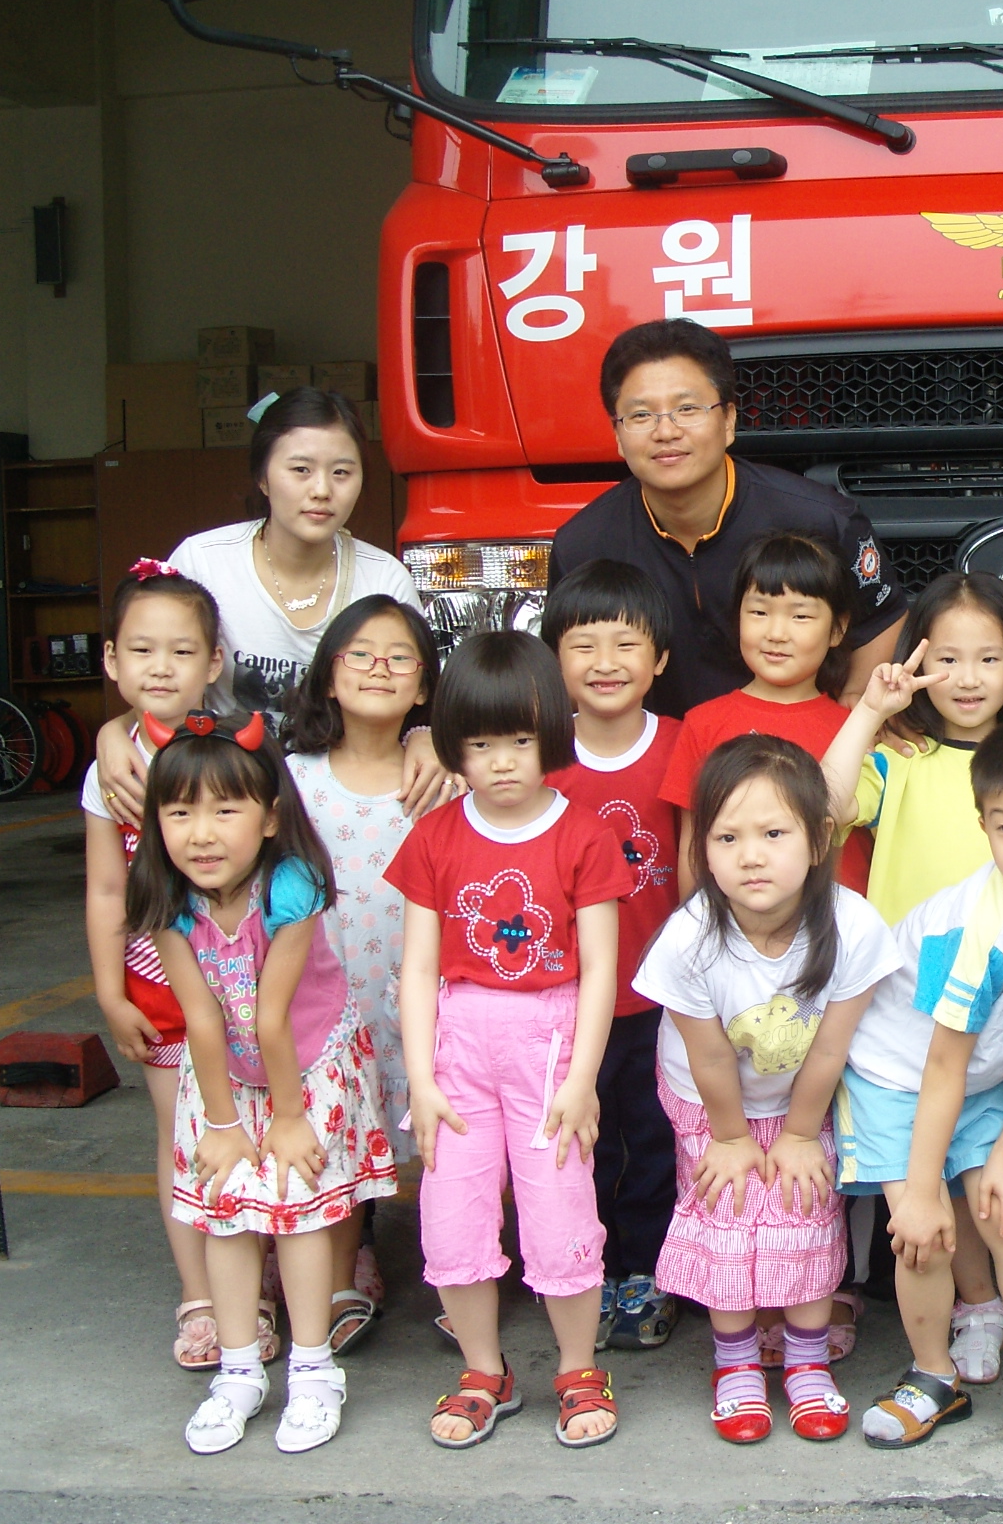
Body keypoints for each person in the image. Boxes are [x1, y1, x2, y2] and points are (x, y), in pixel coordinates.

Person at [387, 633, 634, 1452]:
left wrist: (582, 1078)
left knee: (560, 1212)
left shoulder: (585, 834)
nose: (501, 763)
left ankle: (578, 1368)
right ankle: (482, 1371)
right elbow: (417, 968)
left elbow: (601, 969)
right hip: (458, 1048)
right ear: (454, 745)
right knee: (452, 1216)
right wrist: (421, 1081)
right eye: (481, 744)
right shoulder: (434, 836)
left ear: (552, 734)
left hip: (551, 1047)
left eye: (521, 741)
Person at [839, 715, 1003, 1465]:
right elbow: (940, 1067)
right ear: (982, 827)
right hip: (897, 1077)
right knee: (921, 1235)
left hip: (986, 1074)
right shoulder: (977, 928)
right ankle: (933, 1376)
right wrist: (924, 1191)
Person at [129, 712, 397, 1455]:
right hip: (223, 1070)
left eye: (225, 810)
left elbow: (273, 1017)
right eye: (179, 813)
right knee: (226, 1210)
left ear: (271, 816)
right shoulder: (165, 894)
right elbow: (200, 1018)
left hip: (305, 1065)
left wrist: (286, 1118)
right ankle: (239, 1370)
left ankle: (313, 1371)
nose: (201, 834)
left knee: (297, 1207)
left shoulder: (291, 886)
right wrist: (221, 1124)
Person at [631, 736, 903, 1445]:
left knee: (802, 1207)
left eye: (774, 834)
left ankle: (807, 1360)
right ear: (703, 847)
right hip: (709, 1101)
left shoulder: (851, 924)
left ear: (819, 839)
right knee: (728, 1210)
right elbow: (709, 1056)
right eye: (727, 837)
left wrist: (801, 1133)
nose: (750, 855)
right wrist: (728, 1138)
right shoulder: (689, 937)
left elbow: (832, 1046)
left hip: (802, 1099)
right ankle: (736, 1363)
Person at [92, 388, 452, 824]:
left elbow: (415, 690)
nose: (322, 490)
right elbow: (163, 671)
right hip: (224, 798)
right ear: (263, 477)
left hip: (335, 806)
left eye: (342, 472)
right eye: (300, 470)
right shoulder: (203, 562)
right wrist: (116, 730)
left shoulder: (384, 579)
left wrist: (424, 735)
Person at [547, 319, 904, 717]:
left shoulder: (823, 520)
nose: (666, 431)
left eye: (687, 409)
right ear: (617, 434)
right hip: (656, 745)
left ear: (729, 420)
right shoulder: (581, 546)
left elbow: (883, 618)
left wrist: (860, 706)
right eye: (641, 415)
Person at [281, 592, 442, 1352]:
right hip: (323, 1005)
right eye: (361, 655)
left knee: (441, 1140)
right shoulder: (292, 779)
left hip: (417, 1000)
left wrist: (435, 741)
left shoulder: (442, 780)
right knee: (333, 1136)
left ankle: (462, 1271)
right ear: (327, 674)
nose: (380, 668)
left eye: (400, 657)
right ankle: (338, 1278)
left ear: (424, 684)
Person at [83, 562, 228, 1372]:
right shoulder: (110, 769)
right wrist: (110, 992)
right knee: (182, 1138)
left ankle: (252, 1286)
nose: (162, 667)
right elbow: (108, 888)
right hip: (158, 987)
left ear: (214, 661)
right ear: (112, 660)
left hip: (240, 987)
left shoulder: (237, 751)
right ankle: (199, 1294)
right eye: (141, 650)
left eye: (182, 651)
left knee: (245, 1132)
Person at [540, 559, 685, 1352]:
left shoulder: (682, 744)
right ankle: (585, 1271)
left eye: (626, 644)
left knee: (656, 1139)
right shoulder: (539, 756)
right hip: (566, 1001)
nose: (605, 662)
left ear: (659, 658)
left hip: (661, 997)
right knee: (578, 1143)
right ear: (553, 659)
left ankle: (648, 1271)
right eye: (583, 644)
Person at [821, 570, 1003, 924]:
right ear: (919, 663)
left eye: (989, 659)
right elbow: (826, 805)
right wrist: (870, 711)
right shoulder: (898, 758)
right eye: (948, 660)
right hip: (909, 959)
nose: (968, 679)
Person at [659, 531, 873, 892]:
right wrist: (695, 921)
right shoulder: (703, 723)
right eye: (759, 612)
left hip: (836, 919)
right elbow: (693, 846)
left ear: (837, 628)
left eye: (800, 616)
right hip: (736, 919)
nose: (776, 633)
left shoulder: (857, 728)